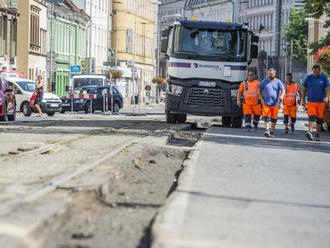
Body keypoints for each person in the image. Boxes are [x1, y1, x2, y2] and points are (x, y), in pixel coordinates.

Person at [302, 65, 330, 141]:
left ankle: (317, 134)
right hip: (311, 101)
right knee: (311, 117)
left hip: (321, 102)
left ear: (319, 71)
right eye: (314, 72)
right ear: (312, 71)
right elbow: (304, 89)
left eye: (317, 72)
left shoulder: (324, 78)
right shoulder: (309, 78)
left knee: (319, 119)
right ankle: (310, 132)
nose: (315, 73)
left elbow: (327, 89)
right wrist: (303, 99)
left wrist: (327, 97)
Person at [258, 68, 285, 138]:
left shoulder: (278, 82)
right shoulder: (264, 81)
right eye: (269, 74)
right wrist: (261, 98)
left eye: (272, 74)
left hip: (275, 103)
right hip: (266, 102)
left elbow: (283, 89)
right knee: (266, 117)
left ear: (274, 74)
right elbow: (259, 90)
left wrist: (281, 96)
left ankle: (272, 131)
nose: (270, 75)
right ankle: (267, 130)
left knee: (274, 118)